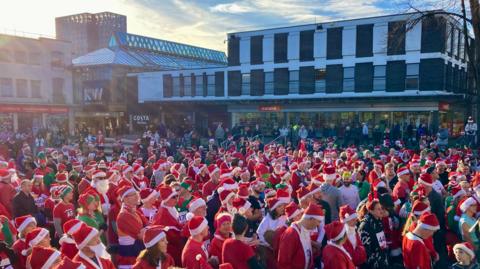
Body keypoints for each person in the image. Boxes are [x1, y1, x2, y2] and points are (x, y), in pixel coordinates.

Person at [277, 203, 323, 269]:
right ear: (311, 219)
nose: (319, 225)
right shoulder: (291, 234)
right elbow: (283, 263)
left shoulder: (305, 230)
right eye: (318, 221)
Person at [116, 185, 147, 268]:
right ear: (125, 199)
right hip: (130, 256)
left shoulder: (133, 211)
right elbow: (142, 236)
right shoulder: (124, 215)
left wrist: (146, 229)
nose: (137, 196)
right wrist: (146, 229)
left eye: (136, 193)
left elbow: (148, 225)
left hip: (136, 252)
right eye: (133, 194)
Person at [358, 199, 388, 269]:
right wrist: (375, 263)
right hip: (373, 264)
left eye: (381, 208)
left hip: (382, 260)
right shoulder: (365, 225)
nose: (381, 211)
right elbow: (366, 249)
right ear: (371, 211)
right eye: (378, 209)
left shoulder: (378, 221)